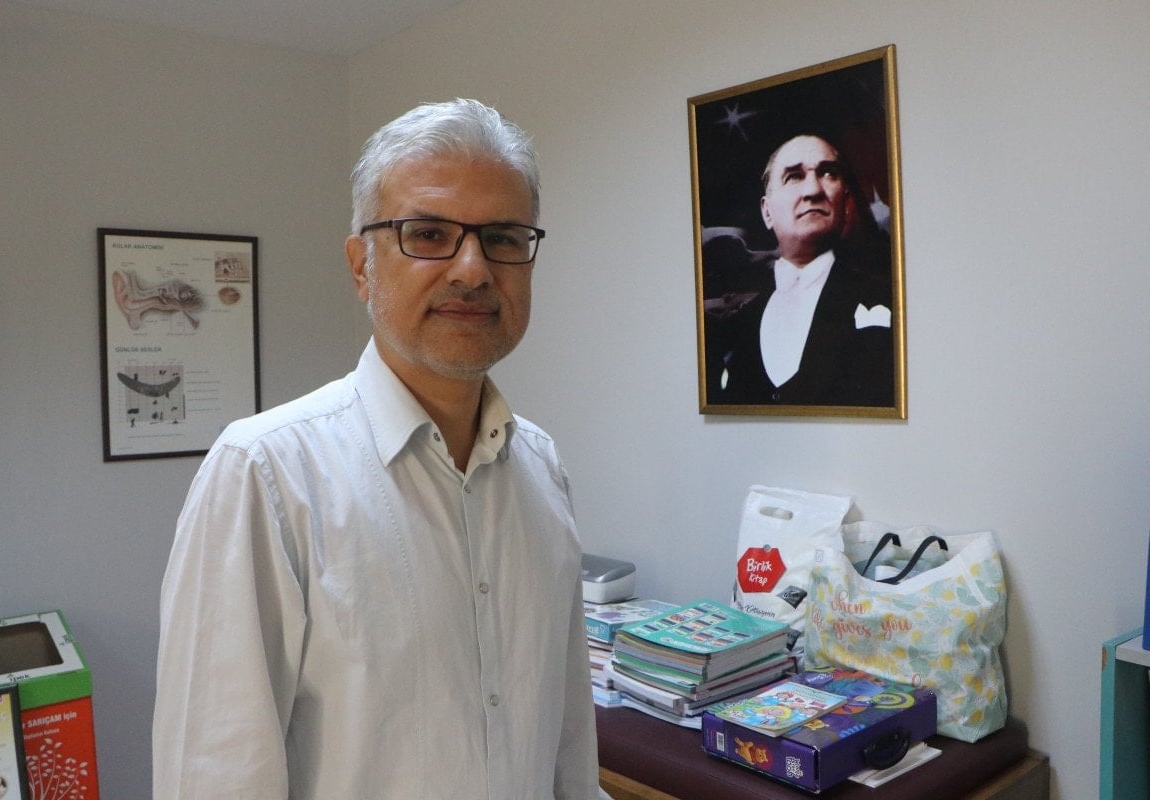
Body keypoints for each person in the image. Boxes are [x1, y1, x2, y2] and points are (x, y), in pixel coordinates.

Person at [152, 99, 605, 799]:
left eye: (504, 238)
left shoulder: (541, 468)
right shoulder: (266, 476)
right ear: (362, 265)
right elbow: (214, 778)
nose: (473, 269)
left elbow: (569, 751)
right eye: (429, 233)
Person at [706, 133, 894, 407]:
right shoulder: (740, 321)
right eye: (794, 176)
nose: (813, 190)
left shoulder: (886, 299)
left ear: (846, 204)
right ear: (767, 212)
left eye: (828, 173)